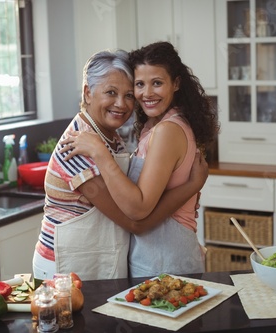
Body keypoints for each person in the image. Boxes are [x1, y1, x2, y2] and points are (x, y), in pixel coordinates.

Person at [32, 49, 209, 281]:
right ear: (88, 93)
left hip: (95, 260)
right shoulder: (78, 146)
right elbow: (135, 221)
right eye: (111, 93)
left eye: (128, 95)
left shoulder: (110, 137)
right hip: (65, 266)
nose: (121, 104)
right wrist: (191, 186)